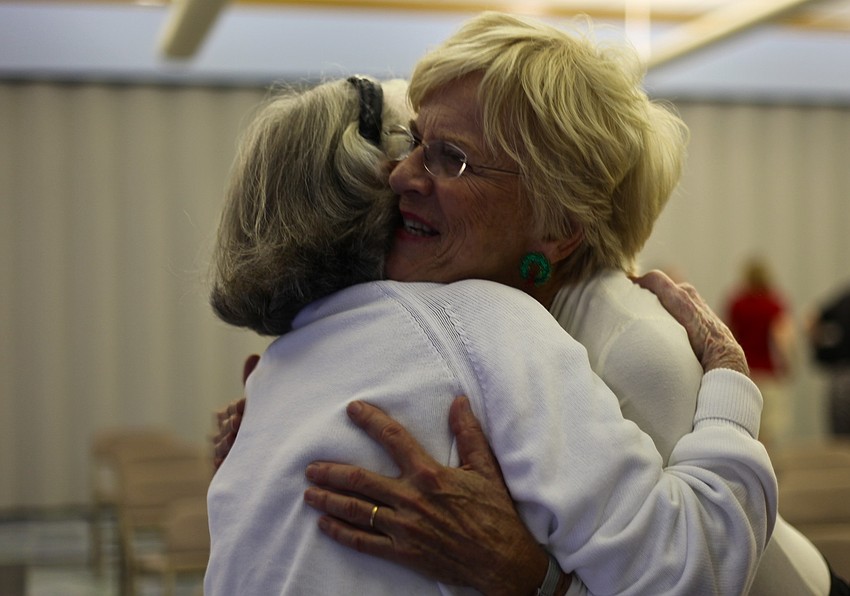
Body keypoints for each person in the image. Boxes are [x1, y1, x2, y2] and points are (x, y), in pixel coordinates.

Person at [269, 12, 836, 596]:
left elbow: (700, 577)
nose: (401, 176)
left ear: (557, 226)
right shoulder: (474, 308)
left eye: (450, 157)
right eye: (415, 141)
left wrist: (530, 579)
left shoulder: (631, 348)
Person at [725, 257, 796, 450]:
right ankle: (765, 466)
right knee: (769, 427)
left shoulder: (737, 303)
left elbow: (727, 335)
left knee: (744, 424)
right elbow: (783, 339)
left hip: (744, 373)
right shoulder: (774, 304)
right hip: (767, 374)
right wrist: (789, 364)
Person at [810, 285, 850, 436]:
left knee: (841, 436)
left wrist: (820, 350)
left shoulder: (845, 300)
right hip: (843, 371)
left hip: (842, 374)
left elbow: (811, 320)